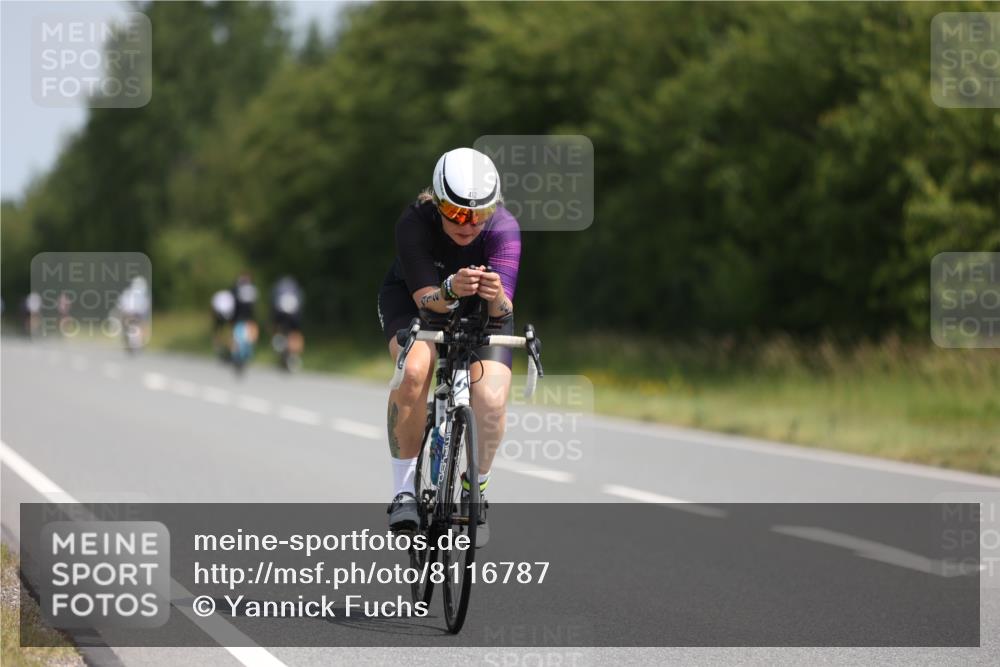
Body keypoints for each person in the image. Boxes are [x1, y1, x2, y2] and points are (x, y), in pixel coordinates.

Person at [379, 147, 521, 542]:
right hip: (418, 302)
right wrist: (451, 288)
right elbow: (428, 301)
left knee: (490, 397)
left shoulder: (504, 228)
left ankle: (476, 489)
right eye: (458, 213)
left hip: (481, 312)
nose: (469, 225)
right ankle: (404, 492)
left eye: (480, 214)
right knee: (414, 372)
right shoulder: (415, 222)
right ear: (438, 204)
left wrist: (496, 295)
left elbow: (504, 309)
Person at [270, 276, 305, 367]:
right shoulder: (296, 290)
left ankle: (278, 343)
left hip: (281, 315)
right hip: (294, 316)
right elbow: (301, 304)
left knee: (277, 328)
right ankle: (294, 353)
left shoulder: (278, 290)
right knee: (295, 333)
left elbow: (273, 305)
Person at [210, 288, 236, 359]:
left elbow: (213, 307)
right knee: (230, 331)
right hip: (228, 314)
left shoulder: (218, 295)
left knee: (218, 331)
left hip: (219, 314)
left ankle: (218, 347)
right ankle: (230, 348)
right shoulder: (231, 296)